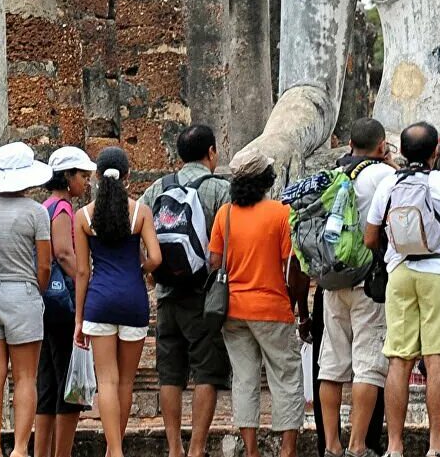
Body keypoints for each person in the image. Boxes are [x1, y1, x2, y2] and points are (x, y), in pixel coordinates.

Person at [364, 121, 440, 457]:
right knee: (437, 362)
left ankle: (395, 447)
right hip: (439, 274)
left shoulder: (387, 184)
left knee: (399, 360)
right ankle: (436, 447)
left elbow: (370, 238)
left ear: (401, 152)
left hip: (400, 272)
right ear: (435, 152)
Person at [139, 124, 233, 457]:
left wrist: (156, 280)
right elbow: (228, 245)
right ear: (211, 153)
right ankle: (196, 449)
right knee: (207, 370)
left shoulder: (156, 189)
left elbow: (144, 244)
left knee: (170, 373)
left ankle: (175, 448)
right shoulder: (220, 190)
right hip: (204, 296)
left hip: (166, 295)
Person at [208, 150, 310, 457]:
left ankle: (251, 450)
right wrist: (298, 307)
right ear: (266, 180)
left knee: (244, 379)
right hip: (272, 308)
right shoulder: (280, 213)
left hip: (233, 310)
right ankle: (287, 449)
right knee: (286, 377)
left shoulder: (224, 214)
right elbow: (292, 267)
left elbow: (214, 261)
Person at [74, 146, 162, 457]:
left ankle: (115, 451)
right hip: (133, 300)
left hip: (99, 301)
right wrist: (141, 269)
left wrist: (78, 318)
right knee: (126, 382)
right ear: (127, 177)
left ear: (96, 176)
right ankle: (116, 448)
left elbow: (83, 271)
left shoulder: (83, 217)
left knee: (106, 382)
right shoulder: (140, 212)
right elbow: (156, 258)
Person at [316, 117, 396, 457]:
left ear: (350, 144)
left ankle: (332, 445)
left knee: (331, 366)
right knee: (368, 364)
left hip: (333, 281)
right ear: (381, 146)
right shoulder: (385, 176)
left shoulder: (335, 175)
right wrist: (390, 163)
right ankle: (358, 444)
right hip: (370, 281)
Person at [0, 142, 54, 457]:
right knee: (25, 376)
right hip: (22, 292)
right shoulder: (36, 213)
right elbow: (44, 265)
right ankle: (20, 449)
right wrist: (38, 290)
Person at [35, 146, 95, 457]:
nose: (85, 183)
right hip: (62, 305)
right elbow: (63, 253)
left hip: (45, 306)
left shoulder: (44, 206)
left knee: (47, 382)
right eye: (82, 176)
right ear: (67, 177)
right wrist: (85, 279)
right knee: (69, 383)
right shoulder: (61, 208)